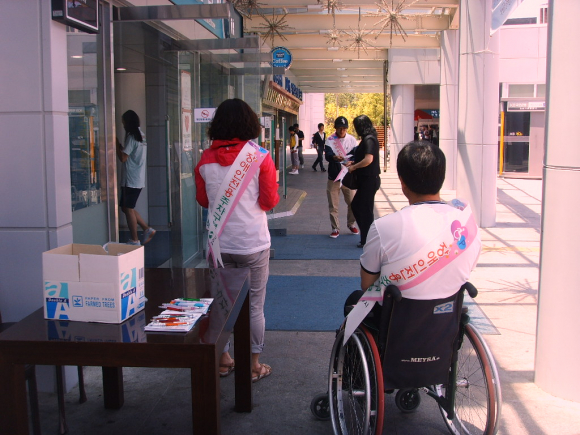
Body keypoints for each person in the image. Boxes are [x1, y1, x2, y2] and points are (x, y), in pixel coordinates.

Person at [194, 98, 279, 383]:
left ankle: (223, 359)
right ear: (249, 124)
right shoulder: (260, 157)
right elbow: (269, 201)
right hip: (252, 243)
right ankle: (253, 364)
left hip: (219, 245)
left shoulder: (205, 159)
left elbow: (203, 200)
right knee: (254, 306)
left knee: (221, 304)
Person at [359, 141, 481, 298]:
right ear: (442, 176)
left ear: (402, 181)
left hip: (397, 312)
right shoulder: (468, 226)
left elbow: (367, 284)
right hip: (449, 311)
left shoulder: (383, 227)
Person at [116, 109, 155, 246]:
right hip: (137, 178)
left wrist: (115, 144)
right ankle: (146, 229)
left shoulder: (132, 136)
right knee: (126, 207)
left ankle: (135, 239)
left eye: (123, 123)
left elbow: (123, 158)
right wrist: (121, 147)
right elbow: (131, 153)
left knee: (128, 209)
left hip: (130, 179)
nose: (123, 125)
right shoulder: (141, 135)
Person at [346, 115, 381, 248]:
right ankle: (367, 237)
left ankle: (368, 238)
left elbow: (368, 160)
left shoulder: (369, 140)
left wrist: (354, 167)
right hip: (367, 179)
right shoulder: (369, 139)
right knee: (361, 207)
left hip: (369, 179)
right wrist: (354, 162)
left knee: (363, 209)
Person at [325, 116, 359, 238]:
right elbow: (328, 155)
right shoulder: (330, 140)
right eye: (339, 128)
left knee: (353, 202)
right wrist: (334, 157)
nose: (342, 130)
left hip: (348, 176)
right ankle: (335, 228)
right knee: (333, 204)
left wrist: (351, 162)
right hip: (334, 177)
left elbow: (356, 155)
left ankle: (351, 224)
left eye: (344, 128)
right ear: (335, 128)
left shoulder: (352, 140)